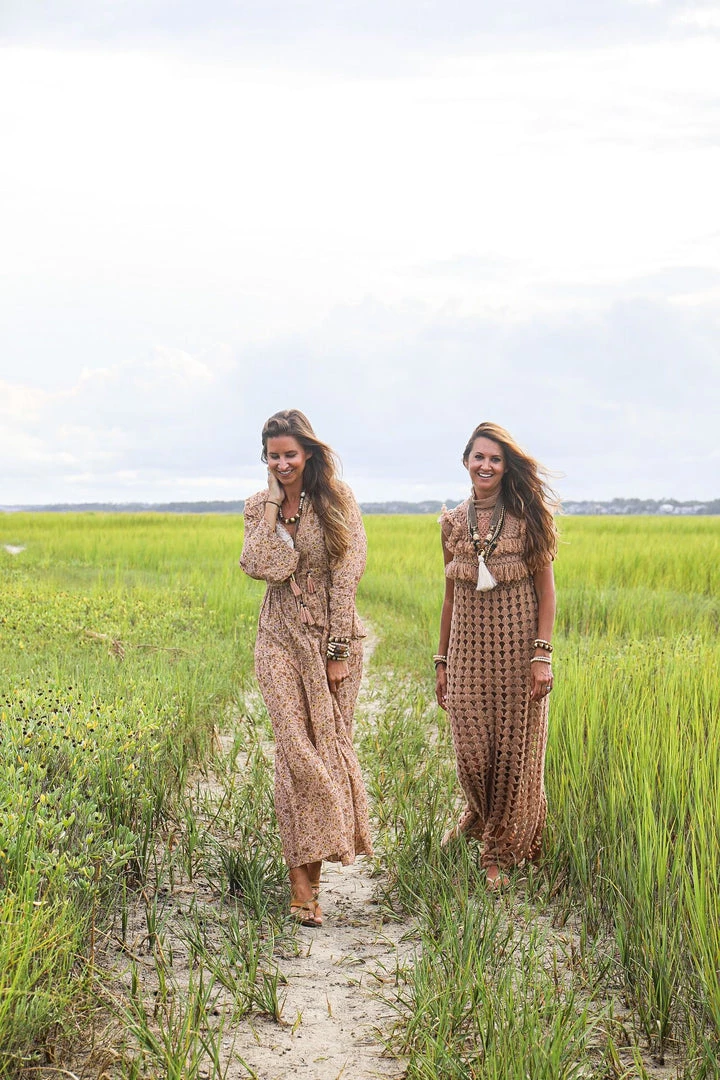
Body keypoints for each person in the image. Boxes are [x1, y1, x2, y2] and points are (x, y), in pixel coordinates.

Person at [240, 409, 372, 926]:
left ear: (309, 453)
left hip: (329, 639)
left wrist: (338, 650)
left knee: (324, 747)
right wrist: (273, 503)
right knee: (293, 746)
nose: (282, 462)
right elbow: (260, 564)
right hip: (277, 636)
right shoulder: (258, 507)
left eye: (290, 454)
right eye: (273, 455)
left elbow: (348, 572)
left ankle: (311, 883)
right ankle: (300, 887)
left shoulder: (337, 501)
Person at [435, 422, 557, 891]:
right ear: (465, 461)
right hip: (466, 655)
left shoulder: (528, 519)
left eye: (495, 458)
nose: (485, 465)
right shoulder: (451, 523)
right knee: (471, 756)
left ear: (506, 466)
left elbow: (547, 593)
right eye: (478, 457)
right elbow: (449, 597)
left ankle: (497, 854)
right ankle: (478, 816)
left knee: (511, 757)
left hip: (517, 655)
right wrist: (441, 661)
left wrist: (541, 655)